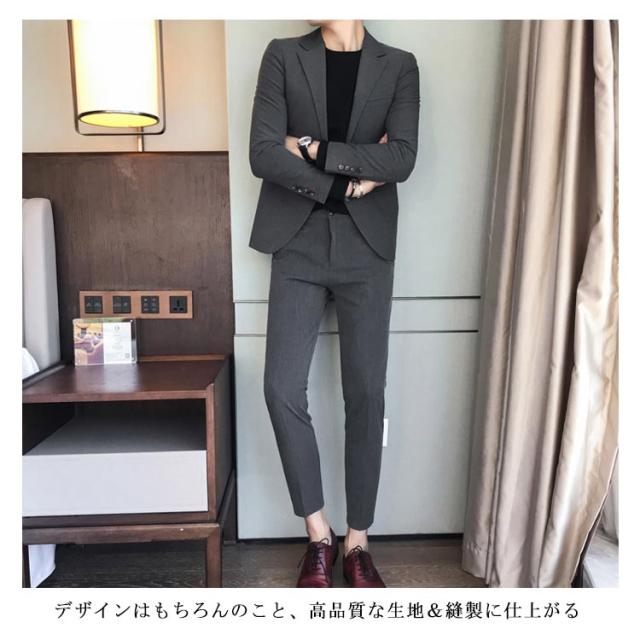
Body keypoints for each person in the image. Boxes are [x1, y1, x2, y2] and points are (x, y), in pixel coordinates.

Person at [248, 19, 420, 587]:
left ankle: (357, 543)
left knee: (367, 394)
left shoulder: (399, 66)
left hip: (367, 248)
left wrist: (313, 148)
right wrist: (347, 179)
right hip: (296, 241)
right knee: (280, 387)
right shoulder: (281, 55)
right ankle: (318, 535)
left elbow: (401, 160)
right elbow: (263, 153)